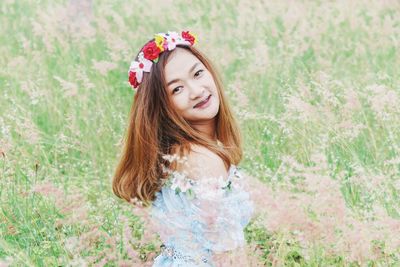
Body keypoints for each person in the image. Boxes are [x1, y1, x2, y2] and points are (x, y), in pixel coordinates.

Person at [112, 31, 255, 266]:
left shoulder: (175, 152)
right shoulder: (204, 160)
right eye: (177, 89)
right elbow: (228, 257)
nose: (197, 90)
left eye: (197, 73)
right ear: (162, 105)